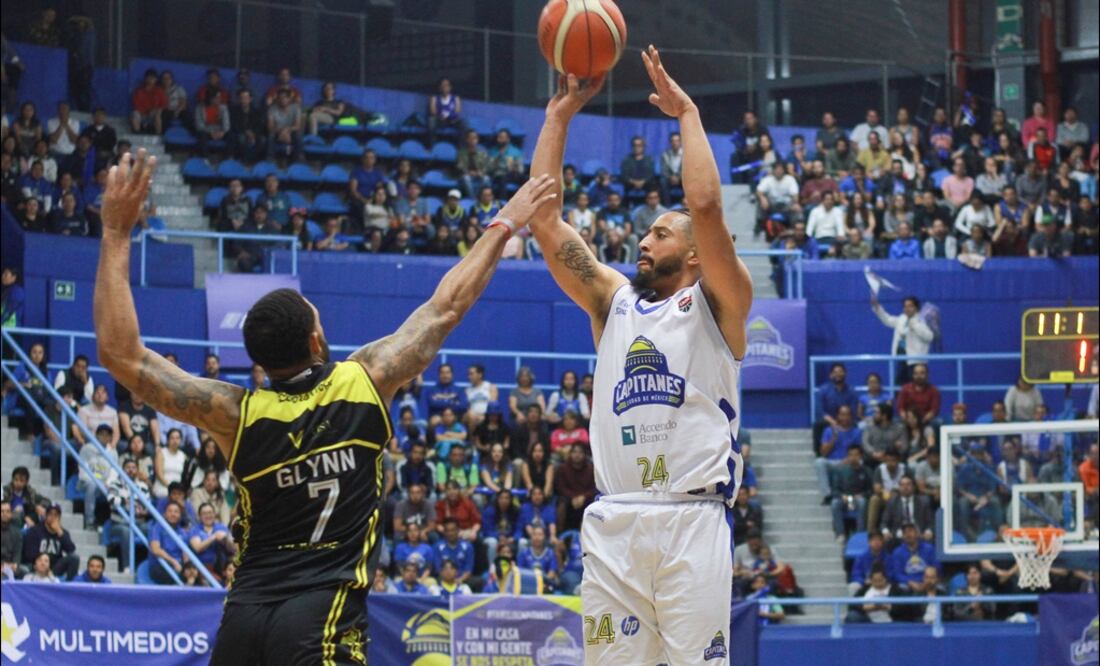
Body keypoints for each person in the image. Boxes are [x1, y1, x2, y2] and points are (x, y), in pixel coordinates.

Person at [92, 149, 559, 661]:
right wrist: (507, 222)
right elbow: (446, 306)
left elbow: (123, 356)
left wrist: (116, 236)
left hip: (245, 615)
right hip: (322, 613)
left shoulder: (235, 414)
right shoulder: (365, 380)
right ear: (316, 340)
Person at [525, 50, 749, 663]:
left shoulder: (720, 304)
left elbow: (705, 208)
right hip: (615, 520)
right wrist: (558, 116)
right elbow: (543, 220)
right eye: (646, 232)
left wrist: (687, 115)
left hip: (691, 520)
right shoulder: (612, 303)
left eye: (660, 233)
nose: (644, 240)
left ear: (697, 254)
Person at [870, 295, 933, 385]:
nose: (907, 308)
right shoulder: (901, 319)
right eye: (905, 306)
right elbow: (887, 320)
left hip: (917, 362)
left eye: (910, 306)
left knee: (916, 388)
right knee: (899, 389)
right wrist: (877, 307)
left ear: (916, 307)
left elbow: (929, 337)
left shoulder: (922, 320)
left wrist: (915, 326)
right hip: (902, 360)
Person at [21, 504, 78, 580]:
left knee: (74, 558)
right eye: (50, 514)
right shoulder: (35, 531)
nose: (53, 517)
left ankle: (69, 588)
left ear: (59, 517)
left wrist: (60, 533)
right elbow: (29, 555)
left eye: (56, 515)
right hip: (37, 566)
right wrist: (43, 565)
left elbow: (71, 550)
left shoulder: (62, 533)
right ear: (45, 516)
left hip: (54, 568)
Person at [427, 78, 464, 145]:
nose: (445, 87)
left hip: (452, 121)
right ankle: (432, 146)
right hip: (440, 120)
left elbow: (457, 111)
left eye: (447, 85)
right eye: (443, 85)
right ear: (440, 87)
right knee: (431, 120)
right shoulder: (434, 98)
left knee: (463, 122)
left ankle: (461, 147)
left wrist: (448, 116)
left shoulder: (456, 98)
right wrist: (440, 116)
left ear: (450, 87)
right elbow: (433, 111)